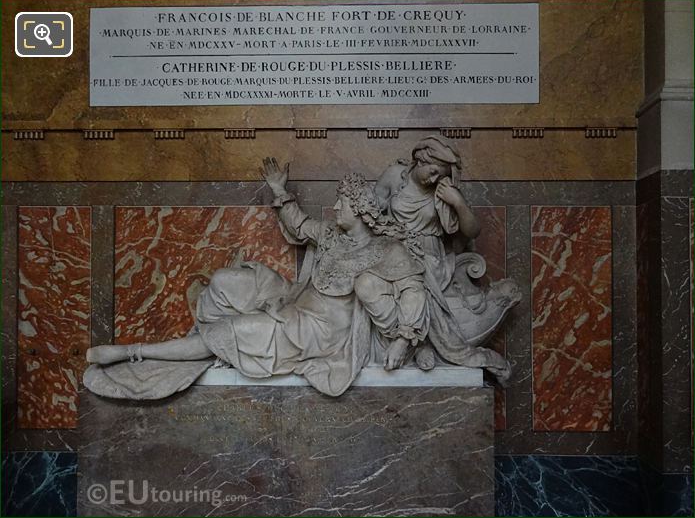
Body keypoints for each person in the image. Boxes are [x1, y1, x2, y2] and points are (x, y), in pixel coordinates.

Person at [84, 161, 429, 399]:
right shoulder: (329, 233)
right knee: (224, 281)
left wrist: (402, 339)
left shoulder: (388, 250)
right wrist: (280, 191)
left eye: (342, 201)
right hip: (293, 298)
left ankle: (134, 352)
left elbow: (413, 291)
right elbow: (298, 224)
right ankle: (214, 347)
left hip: (317, 332)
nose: (336, 205)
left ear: (359, 209)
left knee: (228, 331)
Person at [375, 136, 514, 382]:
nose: (435, 178)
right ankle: (419, 346)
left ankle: (423, 346)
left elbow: (472, 231)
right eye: (433, 171)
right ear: (421, 159)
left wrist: (457, 202)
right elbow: (371, 212)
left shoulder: (442, 191)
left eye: (440, 174)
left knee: (420, 279)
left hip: (428, 255)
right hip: (393, 250)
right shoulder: (394, 176)